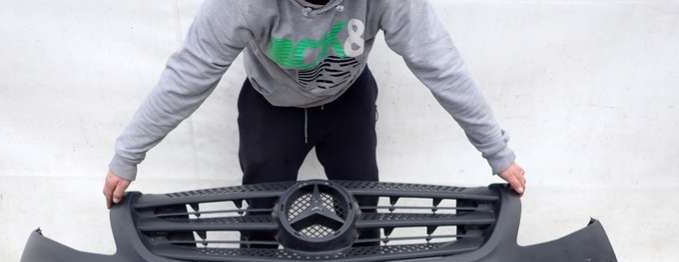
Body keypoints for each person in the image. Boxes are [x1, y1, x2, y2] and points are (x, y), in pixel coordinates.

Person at [103, 0, 527, 209]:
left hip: (347, 101)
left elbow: (440, 65)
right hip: (269, 105)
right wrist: (128, 155)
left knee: (362, 205)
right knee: (263, 210)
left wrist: (497, 153)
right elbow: (188, 75)